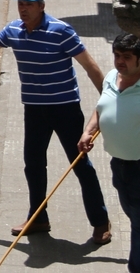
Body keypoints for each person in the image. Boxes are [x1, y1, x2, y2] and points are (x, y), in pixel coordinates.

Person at [0, 0, 111, 243]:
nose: (24, 9)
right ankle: (38, 218)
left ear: (42, 6)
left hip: (65, 108)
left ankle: (100, 222)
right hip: (34, 109)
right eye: (21, 4)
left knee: (80, 166)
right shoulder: (13, 30)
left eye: (29, 4)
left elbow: (90, 66)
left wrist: (107, 102)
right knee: (33, 165)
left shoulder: (61, 31)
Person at [79, 33, 140, 272]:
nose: (119, 61)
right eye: (116, 56)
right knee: (133, 216)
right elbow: (101, 107)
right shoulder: (112, 78)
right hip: (119, 165)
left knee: (138, 224)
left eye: (126, 57)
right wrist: (89, 131)